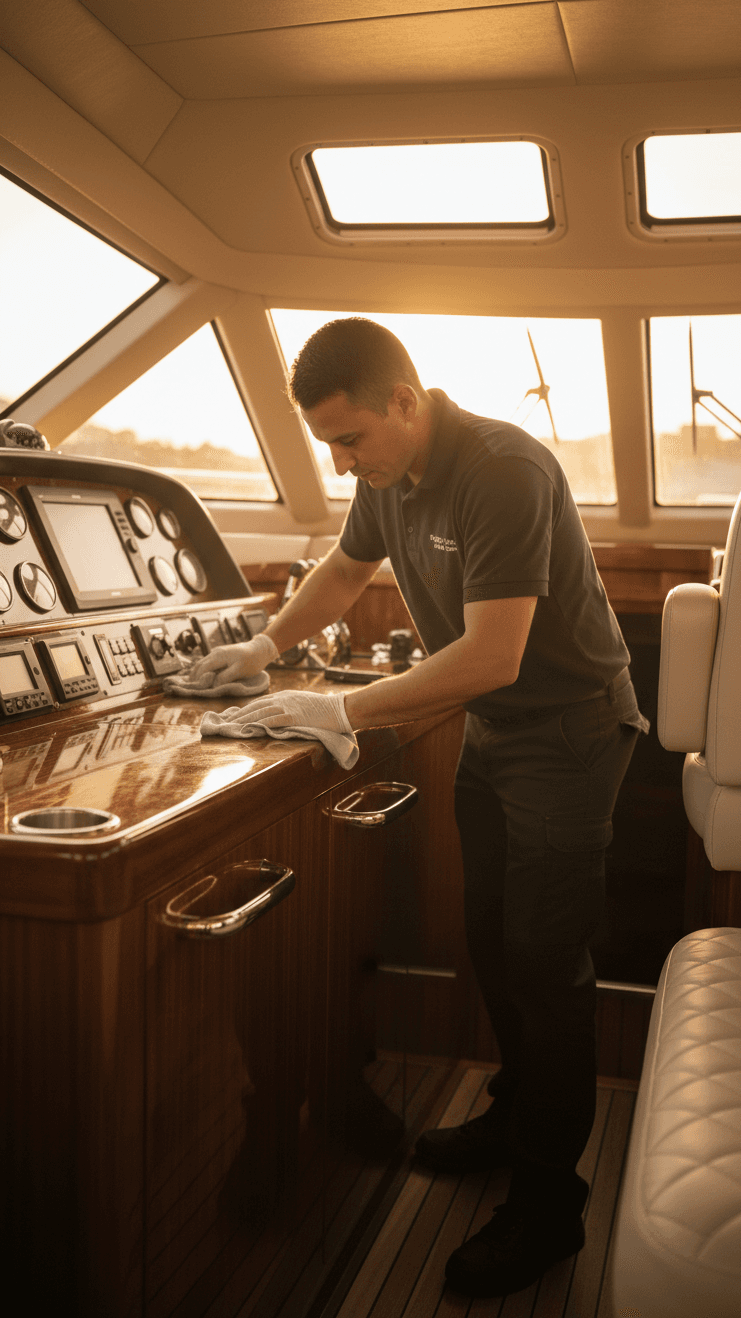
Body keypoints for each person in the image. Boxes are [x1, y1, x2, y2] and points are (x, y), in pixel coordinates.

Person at [187, 317, 649, 1298]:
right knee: (491, 940)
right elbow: (347, 573)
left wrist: (336, 708)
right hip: (492, 731)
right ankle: (515, 1115)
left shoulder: (502, 470)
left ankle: (548, 1209)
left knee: (546, 967)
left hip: (569, 734)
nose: (345, 465)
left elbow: (496, 654)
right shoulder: (384, 476)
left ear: (405, 399)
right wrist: (264, 651)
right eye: (328, 449)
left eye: (351, 441)